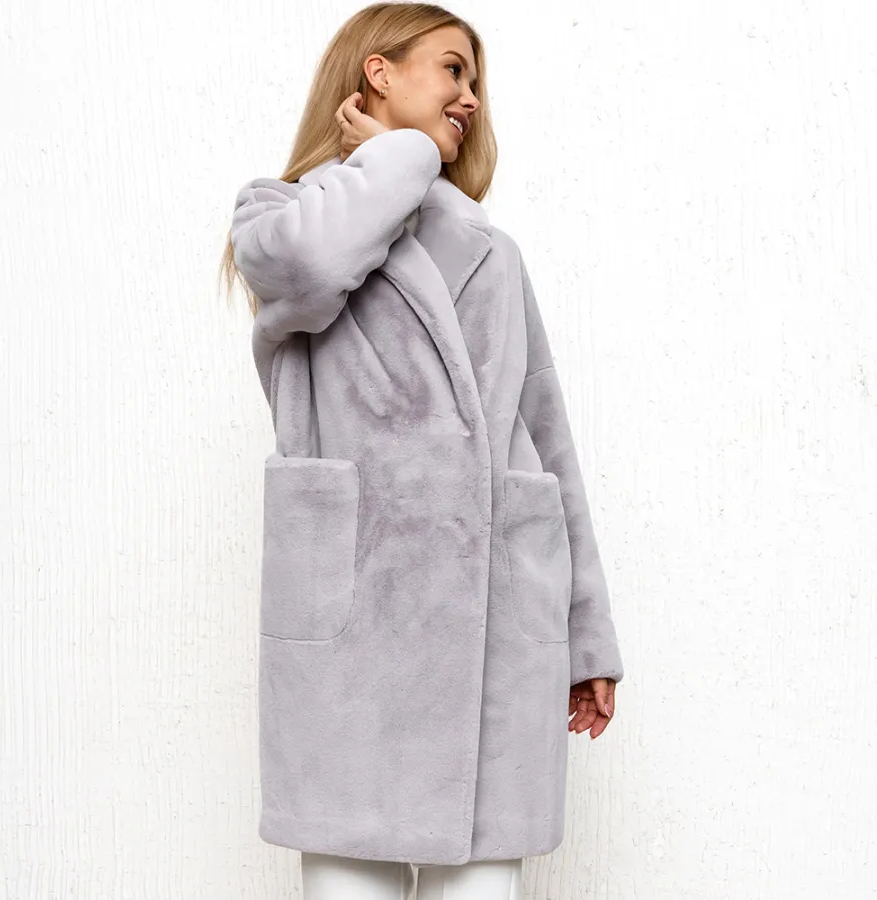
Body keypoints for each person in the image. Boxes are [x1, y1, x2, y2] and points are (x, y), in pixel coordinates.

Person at [220, 3, 625, 897]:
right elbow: (317, 267)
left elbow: (546, 440)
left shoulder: (491, 252)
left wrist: (584, 634)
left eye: (475, 81)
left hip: (494, 637)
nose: (470, 97)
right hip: (353, 638)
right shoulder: (277, 215)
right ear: (379, 72)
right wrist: (400, 158)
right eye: (452, 69)